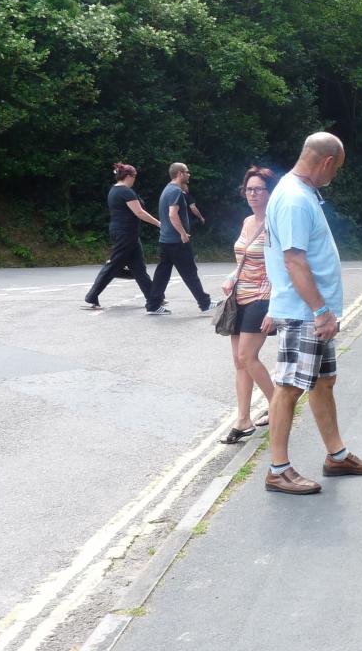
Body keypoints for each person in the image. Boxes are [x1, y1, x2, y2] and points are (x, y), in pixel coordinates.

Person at [262, 132, 362, 495]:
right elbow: (293, 260)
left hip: (314, 312)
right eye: (337, 169)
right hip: (305, 313)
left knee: (321, 381)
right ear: (327, 161)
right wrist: (320, 310)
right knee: (288, 387)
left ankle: (336, 455)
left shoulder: (299, 193)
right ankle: (278, 469)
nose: (335, 175)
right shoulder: (295, 200)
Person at [219, 166, 278, 444]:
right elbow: (242, 260)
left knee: (247, 357)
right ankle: (243, 420)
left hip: (263, 296)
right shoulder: (246, 222)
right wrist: (231, 278)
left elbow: (283, 267)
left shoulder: (276, 224)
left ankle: (279, 405)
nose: (252, 194)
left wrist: (275, 307)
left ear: (269, 193)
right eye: (249, 189)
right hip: (239, 296)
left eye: (258, 190)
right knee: (239, 362)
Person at [83, 162, 161, 310]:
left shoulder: (114, 190)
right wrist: (159, 223)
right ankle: (91, 295)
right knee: (114, 264)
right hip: (125, 234)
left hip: (125, 232)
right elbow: (139, 212)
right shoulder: (125, 191)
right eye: (134, 176)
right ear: (129, 176)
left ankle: (153, 297)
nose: (135, 179)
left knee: (138, 267)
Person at [144, 162, 213, 315]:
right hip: (176, 241)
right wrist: (182, 233)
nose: (189, 175)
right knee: (190, 272)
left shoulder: (167, 189)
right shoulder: (175, 191)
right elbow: (172, 214)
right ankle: (205, 303)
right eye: (187, 172)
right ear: (180, 173)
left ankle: (153, 305)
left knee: (162, 274)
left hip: (165, 240)